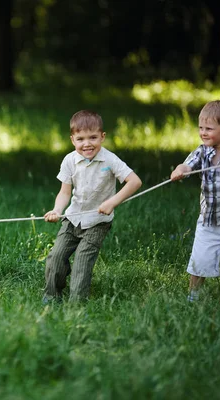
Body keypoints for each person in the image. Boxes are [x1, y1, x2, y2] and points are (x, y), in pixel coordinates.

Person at [42, 110, 142, 303]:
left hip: (98, 222)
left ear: (102, 137)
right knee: (55, 257)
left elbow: (135, 181)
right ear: (72, 140)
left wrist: (112, 202)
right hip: (72, 219)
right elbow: (64, 193)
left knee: (82, 262)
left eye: (93, 137)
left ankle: (76, 306)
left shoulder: (110, 160)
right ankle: (52, 296)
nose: (87, 143)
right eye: (80, 139)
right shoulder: (69, 160)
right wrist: (57, 211)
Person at [170, 100, 220, 303]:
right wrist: (181, 170)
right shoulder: (202, 151)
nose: (203, 132)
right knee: (200, 260)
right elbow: (188, 165)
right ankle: (193, 296)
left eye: (209, 128)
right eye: (200, 128)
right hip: (208, 220)